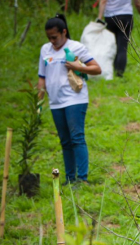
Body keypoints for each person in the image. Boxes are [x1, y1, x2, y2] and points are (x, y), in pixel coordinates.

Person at [38, 14, 102, 185]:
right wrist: (39, 99)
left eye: (55, 37)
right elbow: (42, 77)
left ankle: (82, 178)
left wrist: (77, 66)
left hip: (75, 99)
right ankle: (69, 178)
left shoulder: (76, 47)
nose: (52, 41)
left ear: (64, 32)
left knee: (77, 138)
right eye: (49, 37)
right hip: (55, 102)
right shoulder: (45, 50)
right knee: (65, 141)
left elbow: (96, 69)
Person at [98, 0, 140, 77]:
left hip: (110, 18)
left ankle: (110, 69)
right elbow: (137, 3)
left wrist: (99, 18)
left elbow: (103, 1)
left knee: (112, 45)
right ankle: (119, 72)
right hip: (125, 17)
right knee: (122, 46)